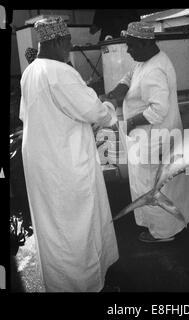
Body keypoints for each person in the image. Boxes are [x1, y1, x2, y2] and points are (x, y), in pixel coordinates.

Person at [19, 17, 119, 292]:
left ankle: (62, 284)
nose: (70, 48)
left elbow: (27, 115)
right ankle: (86, 285)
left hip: (41, 161)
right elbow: (93, 111)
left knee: (53, 225)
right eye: (69, 43)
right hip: (64, 163)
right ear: (59, 41)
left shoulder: (31, 71)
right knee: (77, 224)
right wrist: (110, 107)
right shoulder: (59, 72)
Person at [105, 22, 189, 243]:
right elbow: (130, 75)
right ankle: (176, 223)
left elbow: (158, 109)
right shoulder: (149, 60)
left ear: (146, 43)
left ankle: (163, 233)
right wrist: (118, 92)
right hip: (155, 138)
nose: (128, 51)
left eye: (132, 46)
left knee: (152, 187)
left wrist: (132, 122)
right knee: (168, 186)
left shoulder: (154, 69)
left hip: (153, 140)